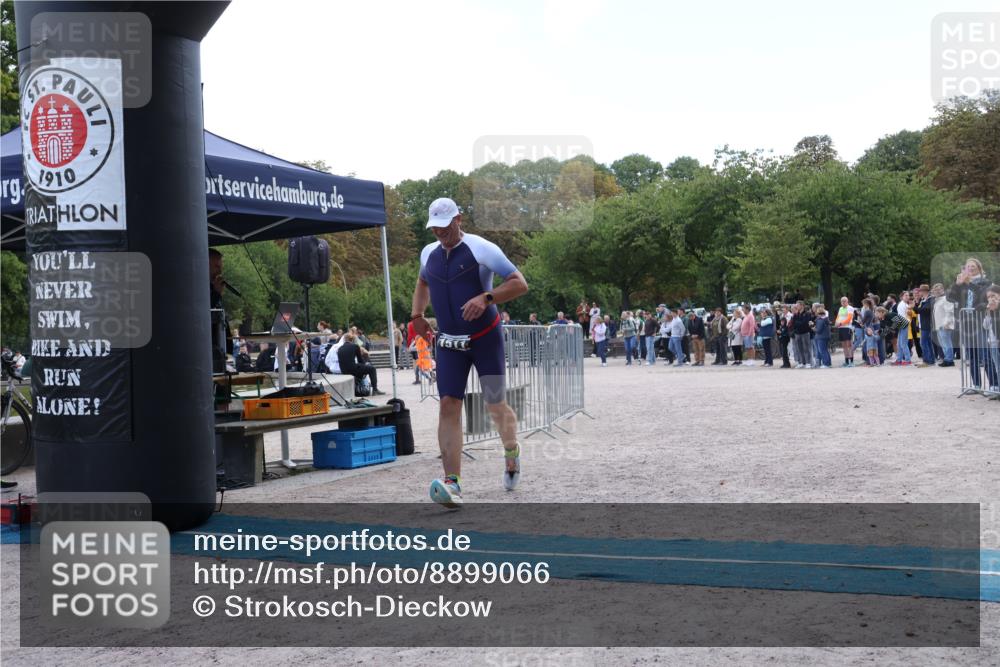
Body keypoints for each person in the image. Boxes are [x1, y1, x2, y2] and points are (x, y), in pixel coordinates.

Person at [411, 197, 529, 508]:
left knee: (495, 404)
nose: (440, 233)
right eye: (435, 228)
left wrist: (487, 297)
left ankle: (511, 450)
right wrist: (417, 315)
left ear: (458, 219)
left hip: (485, 338)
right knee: (448, 405)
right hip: (450, 343)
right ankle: (452, 482)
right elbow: (423, 282)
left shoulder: (482, 248)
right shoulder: (428, 253)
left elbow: (519, 283)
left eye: (445, 226)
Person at [931, 283, 956, 367]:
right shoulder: (937, 300)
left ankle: (949, 360)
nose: (937, 291)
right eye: (935, 290)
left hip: (944, 325)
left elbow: (950, 312)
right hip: (939, 325)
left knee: (946, 343)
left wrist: (946, 323)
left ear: (943, 290)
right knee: (943, 343)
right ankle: (947, 359)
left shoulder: (946, 299)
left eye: (939, 289)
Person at [893, 291, 914, 366]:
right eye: (906, 295)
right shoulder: (902, 305)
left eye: (908, 295)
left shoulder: (905, 305)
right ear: (902, 297)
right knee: (900, 343)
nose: (907, 297)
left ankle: (907, 360)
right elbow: (902, 316)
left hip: (904, 324)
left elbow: (906, 316)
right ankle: (899, 359)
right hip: (902, 324)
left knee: (903, 343)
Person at [833, 296, 854, 367]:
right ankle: (846, 361)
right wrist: (836, 323)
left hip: (847, 327)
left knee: (849, 345)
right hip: (841, 328)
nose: (843, 302)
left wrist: (841, 323)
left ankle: (851, 361)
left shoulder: (850, 308)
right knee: (844, 345)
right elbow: (838, 317)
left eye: (844, 301)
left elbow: (849, 318)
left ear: (847, 301)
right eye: (842, 301)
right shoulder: (840, 308)